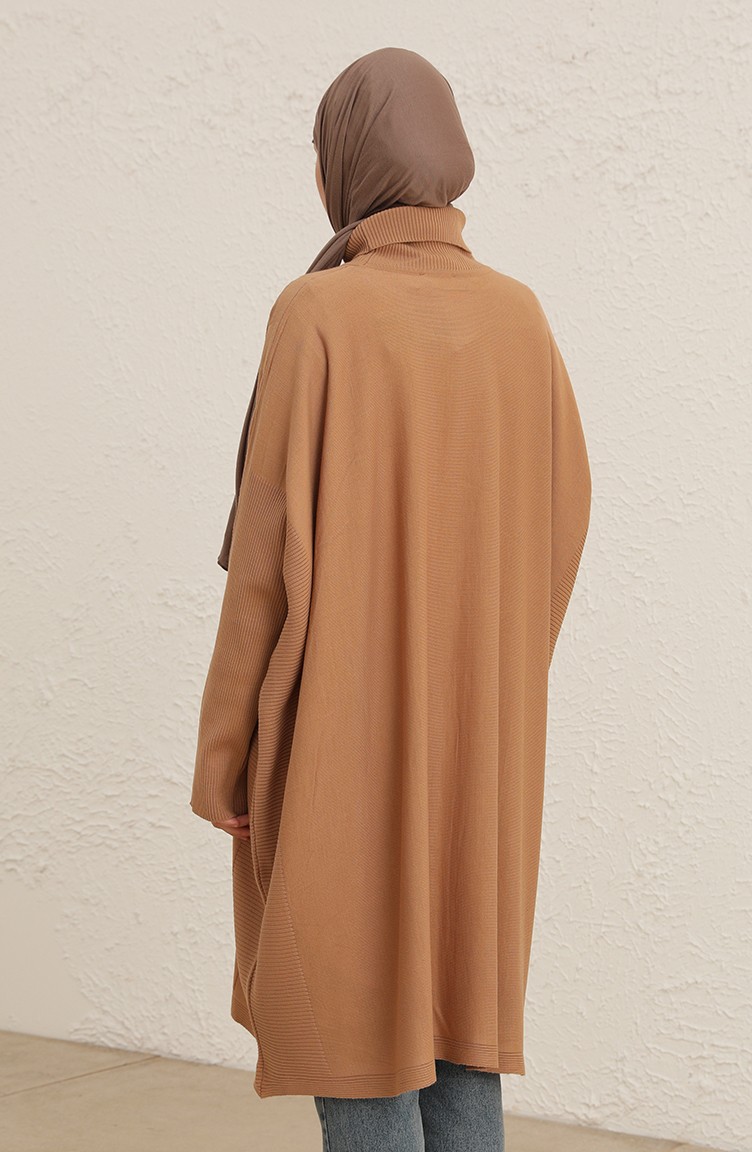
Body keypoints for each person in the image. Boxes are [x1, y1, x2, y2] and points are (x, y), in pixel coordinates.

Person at [190, 46, 591, 1152]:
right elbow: (561, 524)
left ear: (348, 163)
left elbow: (266, 560)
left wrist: (227, 753)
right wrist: (491, 668)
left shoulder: (318, 313)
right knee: (460, 1022)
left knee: (355, 1021)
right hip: (482, 744)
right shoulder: (519, 317)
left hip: (342, 744)